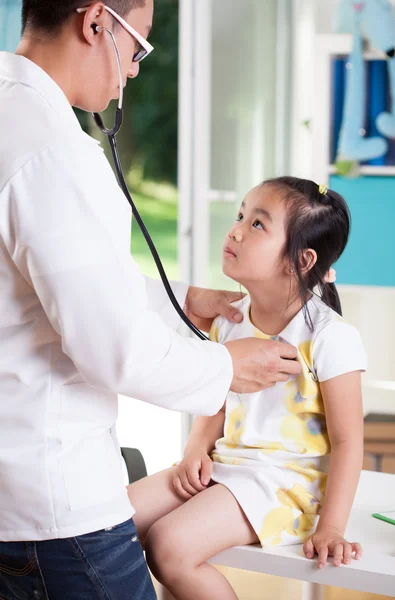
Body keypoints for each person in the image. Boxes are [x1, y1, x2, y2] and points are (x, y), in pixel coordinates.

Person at [0, 2, 302, 599]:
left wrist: (181, 301)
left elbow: (41, 287)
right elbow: (111, 347)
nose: (135, 70)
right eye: (137, 47)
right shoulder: (55, 153)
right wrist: (226, 368)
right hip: (57, 516)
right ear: (94, 23)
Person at [127, 177, 368, 600]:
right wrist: (195, 450)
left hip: (285, 482)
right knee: (111, 519)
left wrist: (332, 527)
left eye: (258, 224)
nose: (235, 229)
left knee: (168, 547)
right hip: (227, 466)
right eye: (241, 215)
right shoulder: (228, 319)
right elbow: (216, 401)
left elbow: (349, 442)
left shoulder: (332, 337)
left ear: (300, 260)